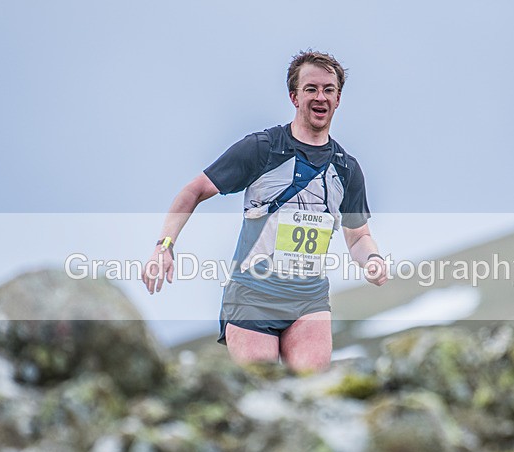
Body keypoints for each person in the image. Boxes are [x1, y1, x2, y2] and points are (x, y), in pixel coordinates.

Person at [142, 50, 387, 371]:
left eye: (328, 89)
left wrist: (372, 260)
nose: (320, 96)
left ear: (338, 99)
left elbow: (358, 237)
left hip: (309, 300)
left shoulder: (346, 168)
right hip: (252, 296)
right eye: (311, 89)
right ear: (294, 97)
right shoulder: (263, 148)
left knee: (310, 390)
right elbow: (194, 191)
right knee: (264, 393)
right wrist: (164, 246)